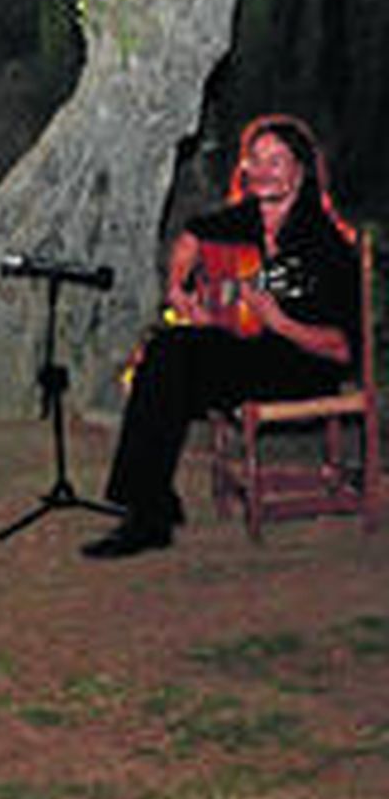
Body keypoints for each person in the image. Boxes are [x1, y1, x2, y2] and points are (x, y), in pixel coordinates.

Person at [81, 114, 360, 559]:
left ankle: (149, 511)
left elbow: (344, 348)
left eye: (278, 161)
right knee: (166, 350)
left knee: (167, 369)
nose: (264, 170)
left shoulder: (325, 247)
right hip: (247, 353)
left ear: (300, 172)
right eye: (256, 160)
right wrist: (179, 288)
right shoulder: (245, 220)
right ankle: (149, 506)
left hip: (301, 367)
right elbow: (192, 236)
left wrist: (281, 322)